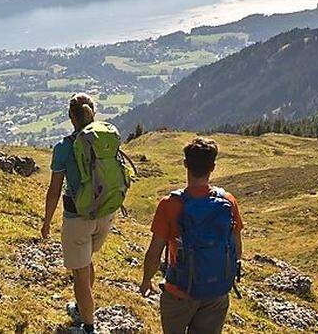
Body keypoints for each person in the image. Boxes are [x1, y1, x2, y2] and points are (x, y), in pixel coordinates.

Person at [42, 93, 130, 334]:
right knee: (87, 260)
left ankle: (88, 326)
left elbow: (54, 190)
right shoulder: (105, 138)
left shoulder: (64, 147)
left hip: (78, 216)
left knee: (80, 273)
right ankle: (83, 309)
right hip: (106, 211)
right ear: (93, 112)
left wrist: (47, 222)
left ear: (71, 116)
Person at [140, 137, 243, 334]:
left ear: (185, 164)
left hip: (179, 291)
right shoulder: (228, 201)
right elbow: (237, 248)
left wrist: (146, 280)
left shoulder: (169, 204)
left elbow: (155, 250)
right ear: (212, 167)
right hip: (216, 291)